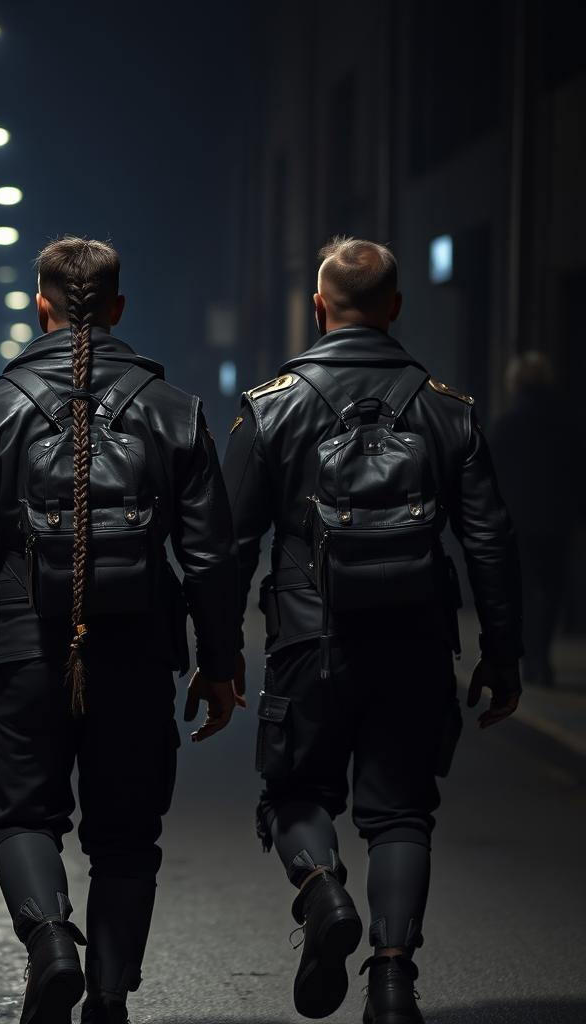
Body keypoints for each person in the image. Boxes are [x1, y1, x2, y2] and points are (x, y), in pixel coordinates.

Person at [0, 236, 241, 1024]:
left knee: (22, 814)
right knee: (127, 834)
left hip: (26, 646)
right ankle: (106, 999)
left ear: (42, 307)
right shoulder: (178, 413)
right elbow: (210, 556)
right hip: (137, 649)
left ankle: (52, 942)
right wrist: (219, 662)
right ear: (120, 308)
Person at [223, 237, 523, 1023]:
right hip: (416, 641)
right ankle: (392, 981)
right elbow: (489, 537)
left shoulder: (271, 404)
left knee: (295, 791)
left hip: (306, 640)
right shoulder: (447, 407)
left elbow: (226, 543)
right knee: (399, 812)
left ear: (320, 308)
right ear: (395, 308)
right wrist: (503, 650)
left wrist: (214, 653)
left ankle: (322, 891)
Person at [490, 351, 583, 687]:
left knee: (524, 591)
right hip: (556, 522)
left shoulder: (505, 425)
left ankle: (530, 659)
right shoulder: (568, 425)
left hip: (517, 523)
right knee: (552, 590)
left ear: (514, 384)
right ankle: (542, 657)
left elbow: (490, 479)